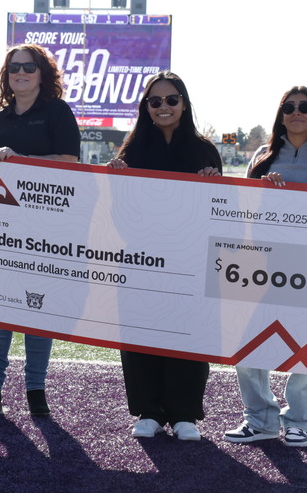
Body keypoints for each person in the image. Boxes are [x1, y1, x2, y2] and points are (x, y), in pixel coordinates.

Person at [224, 85, 307, 449]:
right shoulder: (263, 157)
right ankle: (259, 418)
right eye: (290, 107)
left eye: (304, 106)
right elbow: (243, 212)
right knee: (247, 342)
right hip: (263, 265)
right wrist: (264, 192)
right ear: (281, 114)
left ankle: (298, 420)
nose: (297, 112)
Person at [0, 44, 80, 417]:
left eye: (29, 67)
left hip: (44, 230)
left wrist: (22, 162)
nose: (21, 72)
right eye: (14, 68)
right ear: (6, 75)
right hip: (0, 230)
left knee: (36, 310)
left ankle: (36, 391)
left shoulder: (58, 112)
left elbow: (69, 162)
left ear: (43, 74)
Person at [106, 71, 222, 442]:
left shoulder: (205, 151)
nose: (164, 107)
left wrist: (214, 182)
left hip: (190, 259)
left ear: (184, 103)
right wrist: (115, 182)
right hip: (141, 258)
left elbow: (223, 209)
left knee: (188, 333)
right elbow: (117, 215)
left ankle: (185, 413)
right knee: (141, 331)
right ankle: (149, 411)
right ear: (146, 107)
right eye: (155, 101)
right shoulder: (130, 151)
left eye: (171, 99)